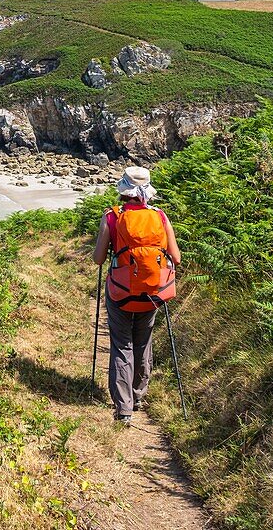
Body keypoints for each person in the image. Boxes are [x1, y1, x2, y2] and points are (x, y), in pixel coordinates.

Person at [92, 165, 181, 425]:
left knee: (122, 345)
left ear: (123, 189)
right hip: (153, 292)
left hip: (121, 293)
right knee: (143, 341)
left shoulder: (112, 217)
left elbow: (98, 259)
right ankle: (138, 394)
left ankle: (124, 408)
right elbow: (175, 257)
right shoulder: (160, 216)